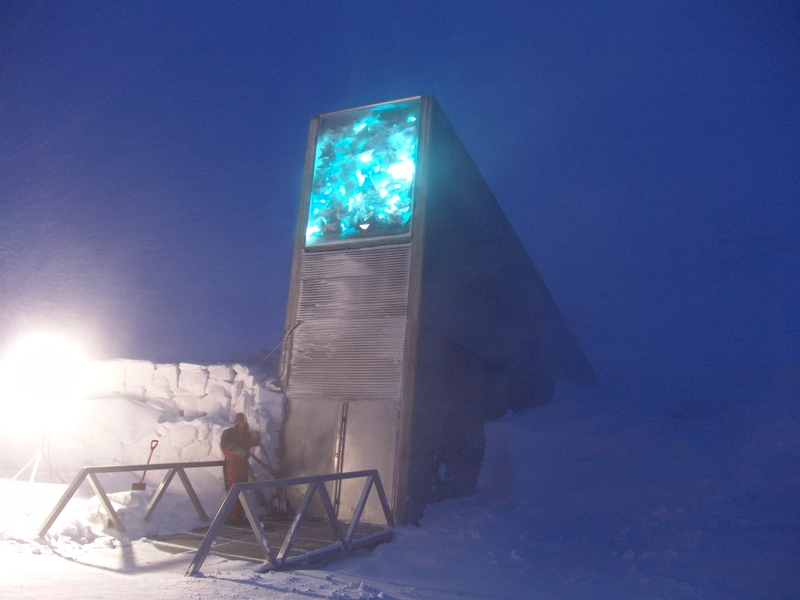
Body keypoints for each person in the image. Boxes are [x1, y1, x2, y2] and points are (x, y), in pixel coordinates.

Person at [220, 412, 261, 525]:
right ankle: (231, 516)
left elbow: (254, 442)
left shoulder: (246, 434)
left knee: (243, 490)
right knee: (233, 490)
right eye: (241, 420)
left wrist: (256, 436)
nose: (242, 423)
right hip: (232, 464)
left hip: (243, 463)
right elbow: (224, 446)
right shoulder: (228, 433)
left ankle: (241, 515)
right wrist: (235, 450)